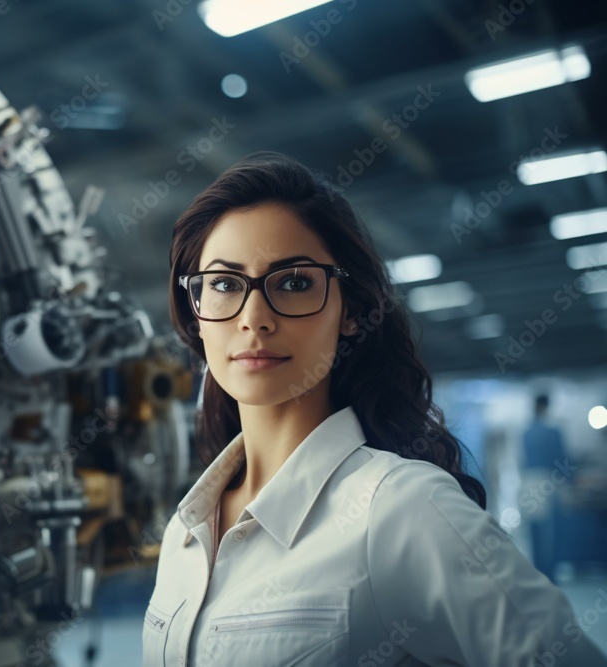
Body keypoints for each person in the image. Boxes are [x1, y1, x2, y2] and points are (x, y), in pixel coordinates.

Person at [143, 152, 607, 666]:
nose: (254, 318)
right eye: (226, 284)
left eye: (294, 282)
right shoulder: (184, 533)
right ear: (197, 313)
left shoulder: (402, 510)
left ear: (352, 312)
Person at [521, 394, 571, 582]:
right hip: (546, 480)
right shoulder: (552, 432)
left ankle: (538, 573)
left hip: (528, 481)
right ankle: (550, 574)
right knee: (550, 533)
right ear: (546, 406)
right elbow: (563, 460)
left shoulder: (526, 433)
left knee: (535, 530)